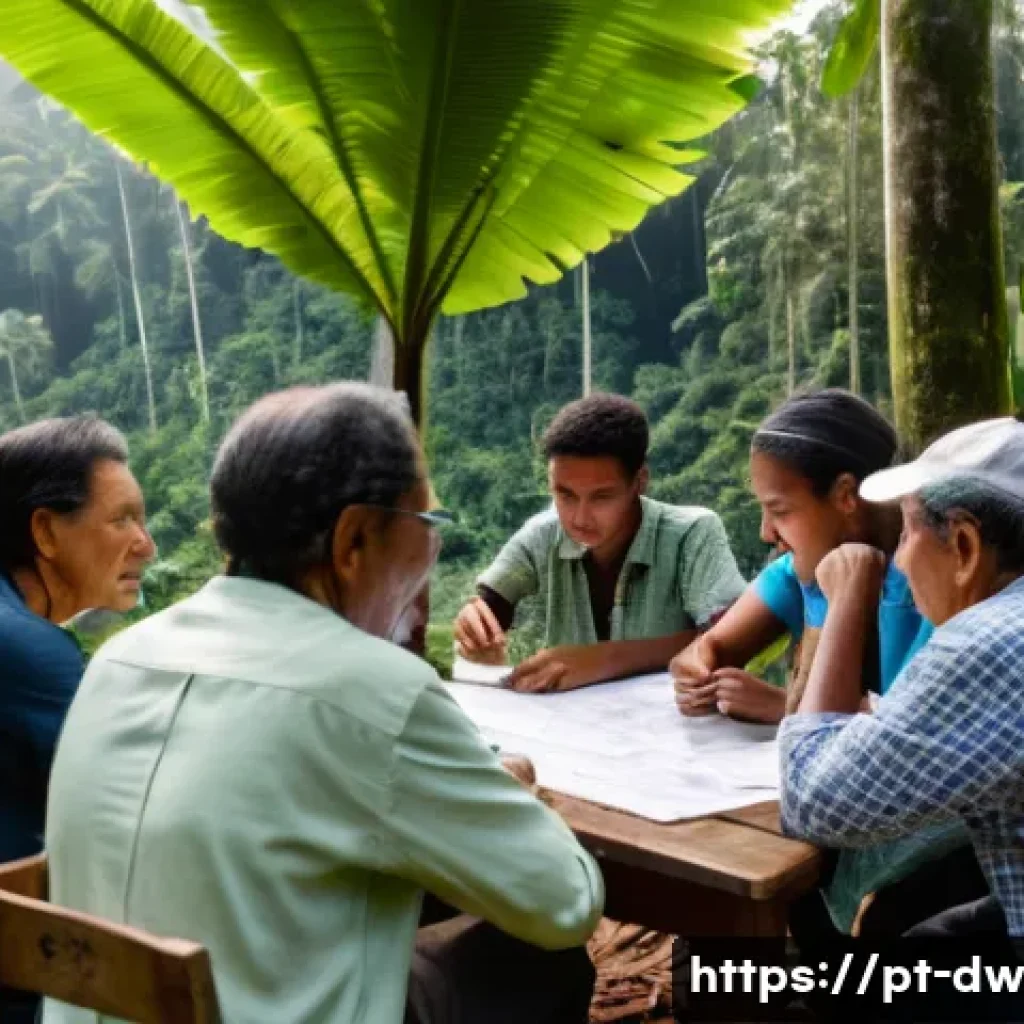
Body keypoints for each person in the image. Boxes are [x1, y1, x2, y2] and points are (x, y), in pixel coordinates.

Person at [44, 383, 604, 1024]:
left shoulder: (120, 659)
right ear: (354, 539)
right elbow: (567, 902)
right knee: (539, 961)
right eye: (426, 525)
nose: (431, 553)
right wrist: (515, 802)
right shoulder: (377, 693)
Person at [671, 390, 981, 941]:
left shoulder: (936, 583)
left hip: (927, 844)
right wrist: (701, 670)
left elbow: (904, 735)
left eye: (780, 511)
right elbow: (706, 649)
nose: (768, 533)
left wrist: (782, 708)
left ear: (844, 495)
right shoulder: (801, 570)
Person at [780, 417, 1024, 1013]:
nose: (899, 558)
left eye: (908, 533)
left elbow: (813, 802)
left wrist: (845, 602)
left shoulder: (991, 641)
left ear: (963, 547)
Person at [454, 393, 746, 693]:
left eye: (601, 497)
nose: (580, 517)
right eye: (565, 494)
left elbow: (733, 638)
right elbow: (490, 604)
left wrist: (602, 660)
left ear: (640, 481)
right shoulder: (541, 535)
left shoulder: (693, 534)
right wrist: (477, 629)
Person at [0, 415, 154, 863]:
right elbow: (132, 802)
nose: (146, 545)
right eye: (122, 519)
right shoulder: (27, 651)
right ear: (46, 531)